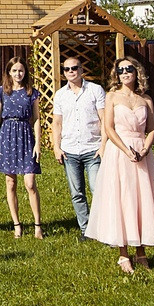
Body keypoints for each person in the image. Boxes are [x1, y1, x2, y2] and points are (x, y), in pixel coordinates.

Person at [84, 57, 154, 273]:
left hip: (141, 152)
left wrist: (145, 149)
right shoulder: (112, 97)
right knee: (122, 198)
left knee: (142, 199)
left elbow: (152, 129)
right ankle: (123, 253)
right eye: (121, 70)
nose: (125, 73)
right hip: (119, 152)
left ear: (137, 72)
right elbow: (109, 128)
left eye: (129, 69)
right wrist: (126, 150)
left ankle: (141, 251)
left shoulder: (146, 99)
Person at [50, 55, 104, 234]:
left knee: (98, 190)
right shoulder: (60, 95)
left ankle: (102, 227)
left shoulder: (95, 90)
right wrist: (56, 147)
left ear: (81, 70)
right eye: (67, 69)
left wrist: (104, 145)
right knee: (77, 193)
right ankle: (86, 229)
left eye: (74, 68)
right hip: (70, 150)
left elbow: (104, 118)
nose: (71, 71)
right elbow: (57, 123)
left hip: (93, 148)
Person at [0, 55, 44, 239]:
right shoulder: (2, 91)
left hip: (26, 136)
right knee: (11, 182)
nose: (17, 74)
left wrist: (38, 143)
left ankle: (37, 225)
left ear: (25, 72)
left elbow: (36, 119)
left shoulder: (31, 92)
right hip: (7, 136)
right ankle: (17, 225)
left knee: (30, 183)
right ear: (9, 72)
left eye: (21, 70)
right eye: (14, 71)